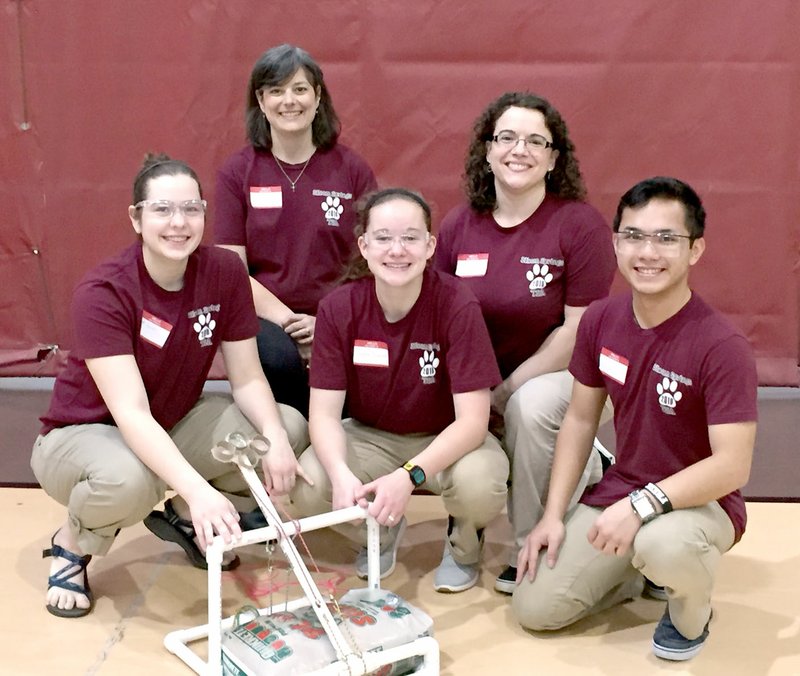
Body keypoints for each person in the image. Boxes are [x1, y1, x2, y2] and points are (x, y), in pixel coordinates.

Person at [32, 154, 310, 618]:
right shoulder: (104, 292)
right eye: (162, 210)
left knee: (285, 427)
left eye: (191, 209)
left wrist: (277, 439)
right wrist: (205, 489)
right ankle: (72, 541)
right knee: (129, 480)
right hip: (83, 434)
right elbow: (131, 413)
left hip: (173, 420)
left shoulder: (222, 272)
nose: (178, 223)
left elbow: (246, 378)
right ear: (136, 218)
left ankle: (181, 514)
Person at [512, 177, 758, 661]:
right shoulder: (602, 320)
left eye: (666, 238)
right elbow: (581, 421)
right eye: (634, 236)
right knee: (535, 611)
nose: (648, 252)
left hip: (701, 504)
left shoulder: (721, 345)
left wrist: (644, 505)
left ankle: (691, 613)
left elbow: (733, 467)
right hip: (625, 487)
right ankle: (632, 567)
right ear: (616, 243)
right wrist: (553, 516)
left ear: (695, 250)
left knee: (665, 544)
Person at [433, 91, 616, 593]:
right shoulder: (458, 226)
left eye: (537, 140)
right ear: (487, 151)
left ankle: (529, 544)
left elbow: (578, 329)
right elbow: (439, 318)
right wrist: (474, 393)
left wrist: (507, 388)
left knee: (529, 408)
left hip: (562, 380)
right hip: (477, 382)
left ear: (554, 158)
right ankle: (463, 535)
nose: (521, 149)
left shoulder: (579, 226)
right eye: (507, 137)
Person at [290, 188, 509, 593]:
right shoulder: (339, 308)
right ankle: (380, 532)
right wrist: (340, 475)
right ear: (364, 245)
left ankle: (463, 541)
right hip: (371, 435)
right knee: (312, 484)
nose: (397, 250)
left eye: (410, 237)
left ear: (429, 247)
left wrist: (409, 477)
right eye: (384, 237)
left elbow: (474, 423)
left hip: (446, 437)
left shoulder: (457, 304)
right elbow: (322, 414)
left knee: (482, 483)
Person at [214, 44, 377, 418]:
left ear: (318, 96)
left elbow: (373, 259)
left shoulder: (351, 169)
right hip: (266, 318)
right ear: (261, 100)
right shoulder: (237, 172)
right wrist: (292, 325)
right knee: (276, 356)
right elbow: (231, 269)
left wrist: (325, 323)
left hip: (340, 314)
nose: (290, 101)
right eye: (276, 90)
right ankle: (293, 437)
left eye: (300, 89)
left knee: (355, 354)